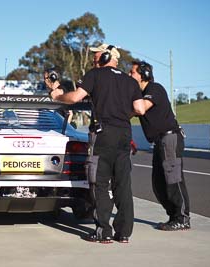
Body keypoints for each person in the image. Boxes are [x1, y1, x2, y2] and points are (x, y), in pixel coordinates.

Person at [48, 44, 145, 243]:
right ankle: (124, 233)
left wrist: (58, 95)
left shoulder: (96, 75)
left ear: (106, 56)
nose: (94, 59)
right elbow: (140, 109)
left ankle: (103, 232)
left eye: (96, 55)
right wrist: (120, 112)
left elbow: (75, 97)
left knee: (99, 183)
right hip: (124, 133)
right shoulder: (130, 81)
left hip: (104, 134)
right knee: (123, 184)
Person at [129, 60, 191, 230]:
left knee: (173, 179)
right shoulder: (139, 95)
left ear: (144, 75)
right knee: (158, 183)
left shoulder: (154, 89)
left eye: (132, 72)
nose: (129, 75)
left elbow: (140, 109)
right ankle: (174, 216)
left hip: (169, 138)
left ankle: (182, 218)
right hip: (159, 141)